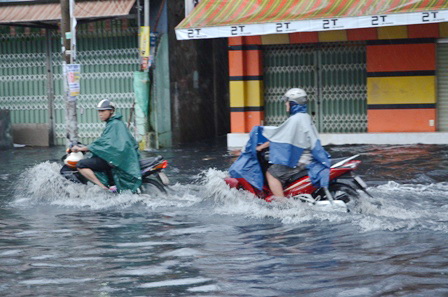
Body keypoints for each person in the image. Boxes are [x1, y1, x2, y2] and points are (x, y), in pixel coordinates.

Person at [229, 88, 331, 197]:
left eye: (287, 101)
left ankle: (281, 204)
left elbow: (278, 135)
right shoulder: (304, 117)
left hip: (300, 159)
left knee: (272, 173)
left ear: (293, 103)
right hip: (306, 156)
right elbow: (283, 135)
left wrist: (259, 140)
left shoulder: (295, 119)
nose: (286, 104)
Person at [71, 99, 142, 193]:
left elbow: (104, 143)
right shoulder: (115, 123)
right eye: (99, 111)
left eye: (103, 111)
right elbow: (104, 142)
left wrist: (82, 148)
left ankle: (103, 187)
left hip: (115, 158)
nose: (100, 114)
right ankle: (111, 185)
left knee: (81, 164)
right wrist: (91, 146)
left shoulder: (114, 124)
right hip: (117, 157)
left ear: (111, 111)